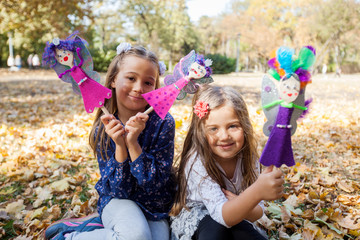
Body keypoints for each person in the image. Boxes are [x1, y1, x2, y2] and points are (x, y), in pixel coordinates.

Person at [44, 42, 175, 240]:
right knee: (136, 237)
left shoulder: (163, 123)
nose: (139, 88)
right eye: (131, 78)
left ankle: (93, 225)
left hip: (153, 206)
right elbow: (117, 191)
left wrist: (133, 144)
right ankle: (68, 237)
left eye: (148, 82)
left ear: (156, 87)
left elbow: (155, 185)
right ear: (113, 80)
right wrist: (121, 146)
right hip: (118, 201)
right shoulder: (104, 128)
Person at [170, 85, 284, 240]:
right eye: (213, 129)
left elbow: (257, 213)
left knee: (247, 234)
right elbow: (223, 216)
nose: (224, 136)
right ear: (201, 132)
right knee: (215, 231)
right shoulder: (197, 160)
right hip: (199, 217)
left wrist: (240, 201)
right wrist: (256, 192)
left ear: (244, 126)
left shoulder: (249, 157)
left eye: (232, 126)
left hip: (236, 213)